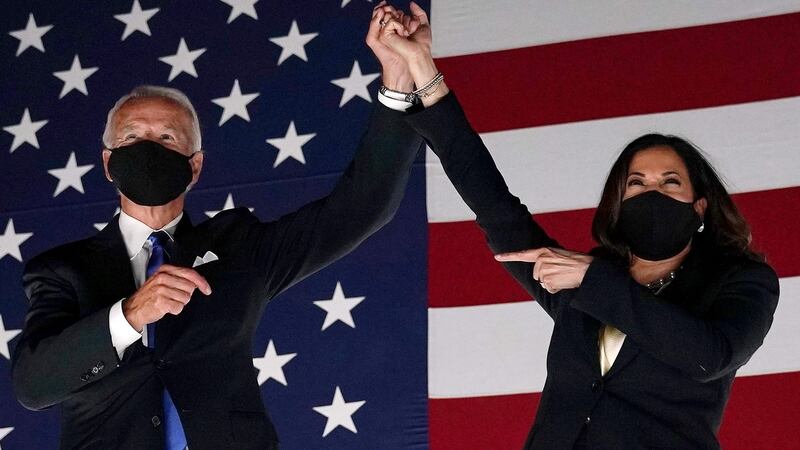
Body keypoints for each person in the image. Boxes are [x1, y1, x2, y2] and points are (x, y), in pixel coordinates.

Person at [11, 5, 421, 449]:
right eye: (132, 137)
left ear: (196, 166)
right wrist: (130, 315)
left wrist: (398, 79)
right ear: (108, 163)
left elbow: (363, 207)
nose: (149, 147)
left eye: (167, 138)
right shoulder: (61, 271)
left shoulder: (238, 247)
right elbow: (34, 385)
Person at [376, 4, 780, 449]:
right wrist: (425, 74)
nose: (652, 193)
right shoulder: (580, 278)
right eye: (637, 184)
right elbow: (494, 206)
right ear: (617, 202)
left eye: (670, 182)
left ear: (700, 206)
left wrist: (594, 280)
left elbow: (710, 357)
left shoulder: (741, 281)